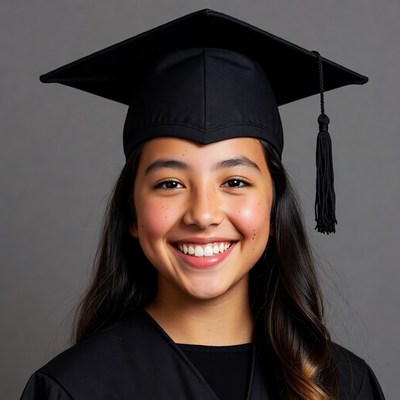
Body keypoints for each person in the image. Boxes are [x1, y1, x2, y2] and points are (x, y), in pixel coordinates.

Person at [20, 9, 385, 400]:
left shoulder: (342, 385)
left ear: (274, 209)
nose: (204, 215)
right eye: (171, 183)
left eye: (235, 181)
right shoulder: (74, 388)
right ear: (131, 213)